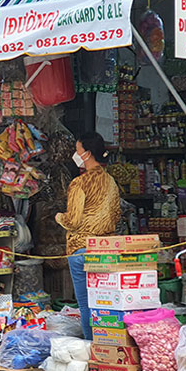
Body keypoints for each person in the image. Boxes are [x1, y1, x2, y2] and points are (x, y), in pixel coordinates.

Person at [55, 134, 121, 340]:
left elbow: (73, 221)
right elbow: (116, 216)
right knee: (107, 302)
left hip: (81, 249)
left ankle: (92, 345)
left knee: (86, 305)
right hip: (105, 248)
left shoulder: (79, 183)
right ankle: (109, 344)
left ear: (87, 154)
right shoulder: (111, 182)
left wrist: (59, 217)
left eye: (78, 151)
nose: (75, 155)